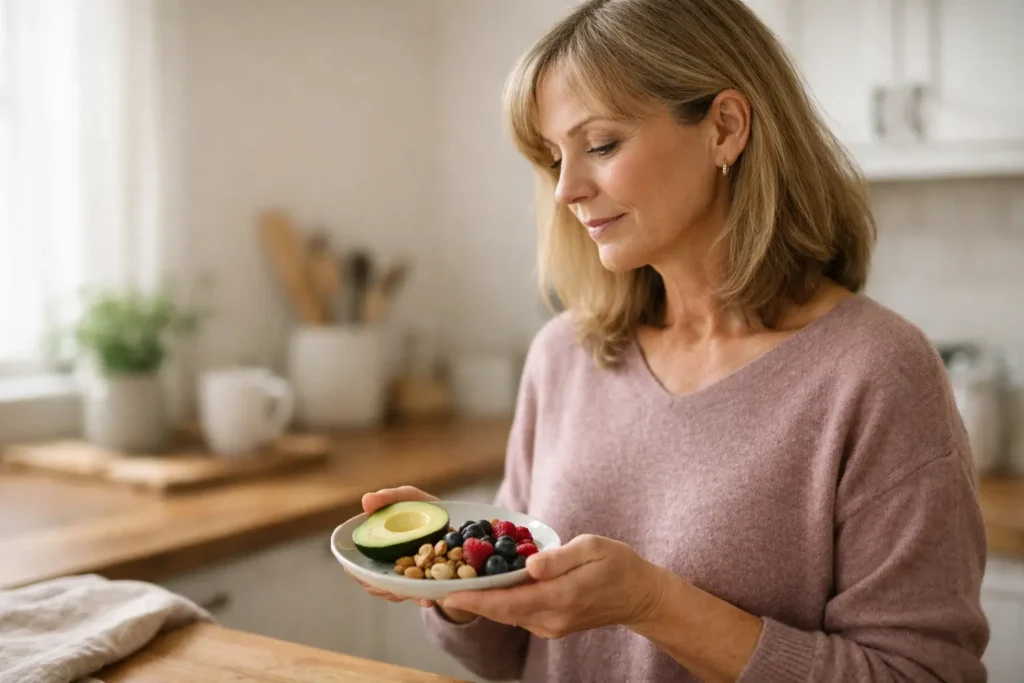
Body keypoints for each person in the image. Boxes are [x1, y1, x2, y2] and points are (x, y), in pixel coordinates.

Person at [349, 0, 990, 680]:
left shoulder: (876, 372)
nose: (567, 188)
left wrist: (652, 603)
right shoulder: (564, 357)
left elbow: (921, 673)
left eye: (599, 144)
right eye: (552, 156)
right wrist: (454, 576)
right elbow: (507, 653)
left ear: (724, 128)